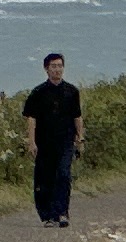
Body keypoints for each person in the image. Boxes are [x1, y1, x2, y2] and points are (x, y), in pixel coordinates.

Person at [22, 50, 82, 227]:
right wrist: (31, 141)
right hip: (44, 142)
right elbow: (31, 119)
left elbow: (77, 116)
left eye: (60, 66)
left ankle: (62, 212)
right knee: (45, 177)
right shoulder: (38, 92)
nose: (57, 70)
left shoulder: (72, 91)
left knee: (63, 175)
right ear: (46, 69)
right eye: (53, 66)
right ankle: (47, 215)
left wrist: (81, 137)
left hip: (65, 140)